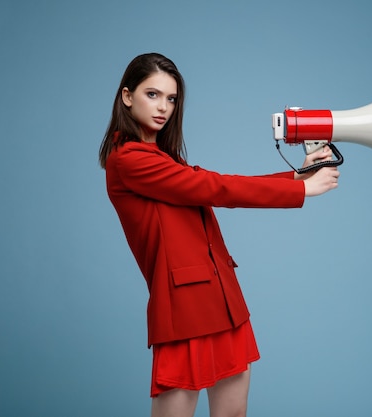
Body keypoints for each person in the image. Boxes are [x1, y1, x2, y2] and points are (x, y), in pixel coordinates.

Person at [98, 52, 339, 417]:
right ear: (127, 96)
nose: (164, 107)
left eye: (172, 98)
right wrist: (303, 191)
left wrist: (296, 177)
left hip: (223, 300)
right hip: (184, 310)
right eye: (153, 94)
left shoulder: (162, 156)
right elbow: (216, 188)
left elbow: (212, 183)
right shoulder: (129, 159)